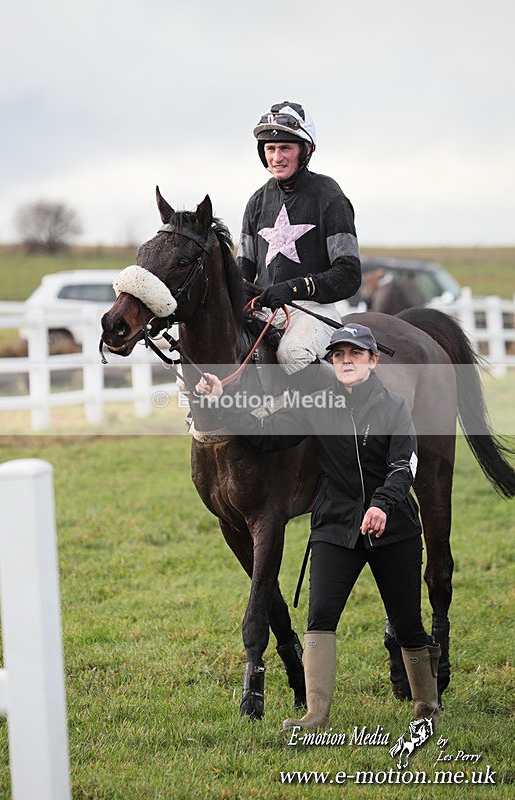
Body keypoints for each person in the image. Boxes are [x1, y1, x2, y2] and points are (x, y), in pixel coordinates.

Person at [196, 323, 440, 731]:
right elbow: (267, 433)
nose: (347, 361)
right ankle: (316, 715)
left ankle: (426, 709)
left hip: (393, 526)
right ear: (331, 362)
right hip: (335, 526)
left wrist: (382, 505)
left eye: (356, 354)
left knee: (407, 623)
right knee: (320, 619)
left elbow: (405, 466)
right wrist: (221, 402)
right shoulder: (318, 403)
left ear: (372, 361)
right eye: (339, 355)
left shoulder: (394, 407)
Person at [238, 100, 361, 376]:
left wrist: (294, 288)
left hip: (313, 311)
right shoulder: (256, 202)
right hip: (265, 311)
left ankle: (341, 410)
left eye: (285, 148)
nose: (277, 157)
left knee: (292, 354)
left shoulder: (330, 197)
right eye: (270, 149)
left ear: (305, 150)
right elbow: (242, 271)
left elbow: (349, 275)